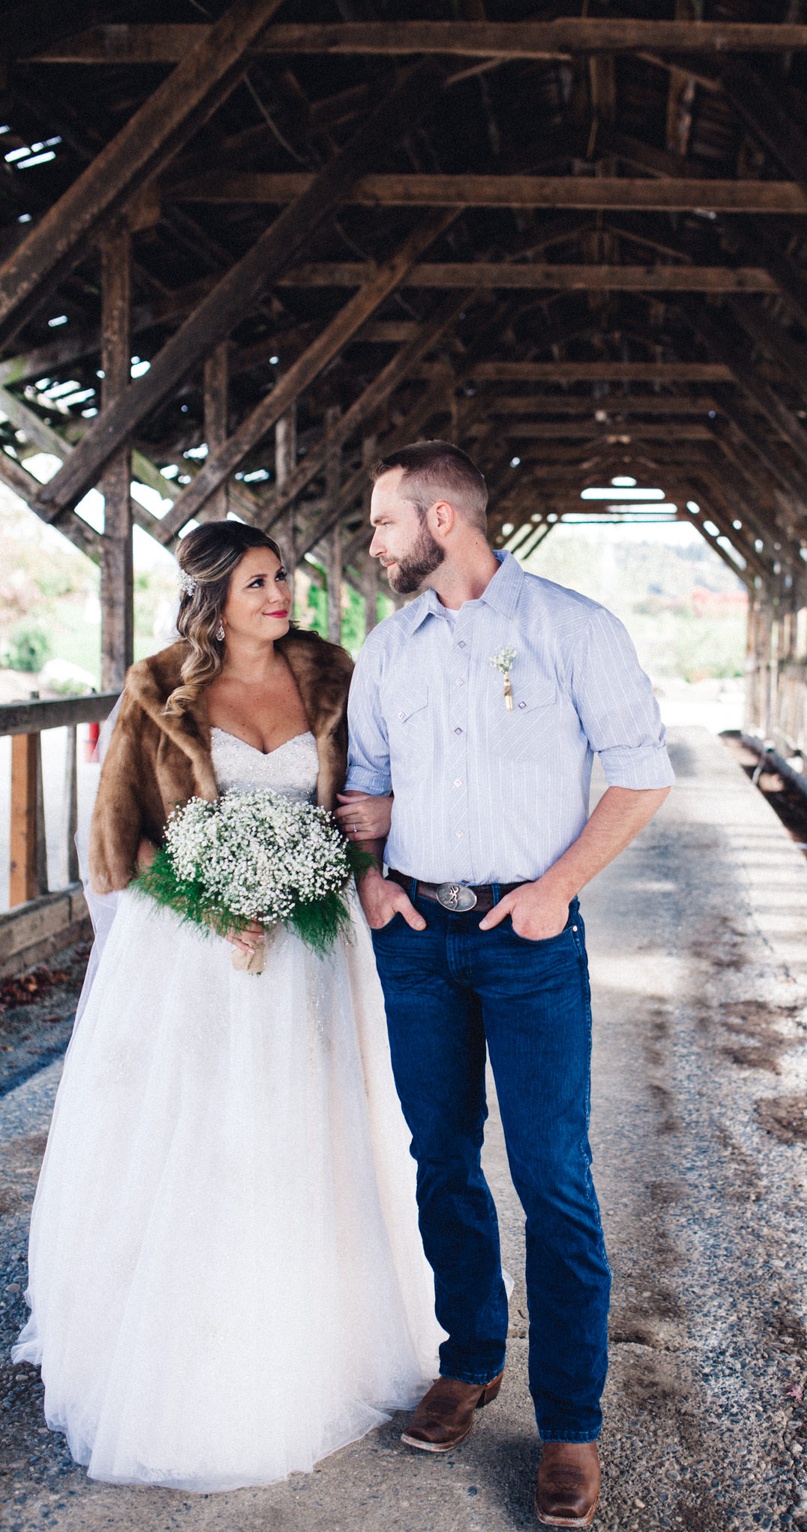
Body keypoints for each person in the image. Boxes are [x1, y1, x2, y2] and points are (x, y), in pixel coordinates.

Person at [14, 520, 441, 1491]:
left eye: (281, 575)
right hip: (198, 952)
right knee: (207, 1135)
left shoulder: (332, 671)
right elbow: (119, 835)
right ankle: (196, 1342)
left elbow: (375, 783)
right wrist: (211, 904)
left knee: (315, 1129)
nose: (279, 592)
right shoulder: (157, 683)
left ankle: (320, 1330)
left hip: (316, 942)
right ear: (212, 597)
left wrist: (354, 849)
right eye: (257, 581)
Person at [342, 440, 674, 1529]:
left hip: (529, 940)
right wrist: (376, 882)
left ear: (442, 519)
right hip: (418, 939)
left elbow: (640, 771)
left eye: (384, 521)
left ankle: (568, 1421)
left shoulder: (573, 629)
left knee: (552, 1177)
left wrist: (555, 888)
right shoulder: (387, 647)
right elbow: (364, 785)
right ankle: (470, 1358)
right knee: (441, 1157)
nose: (373, 540)